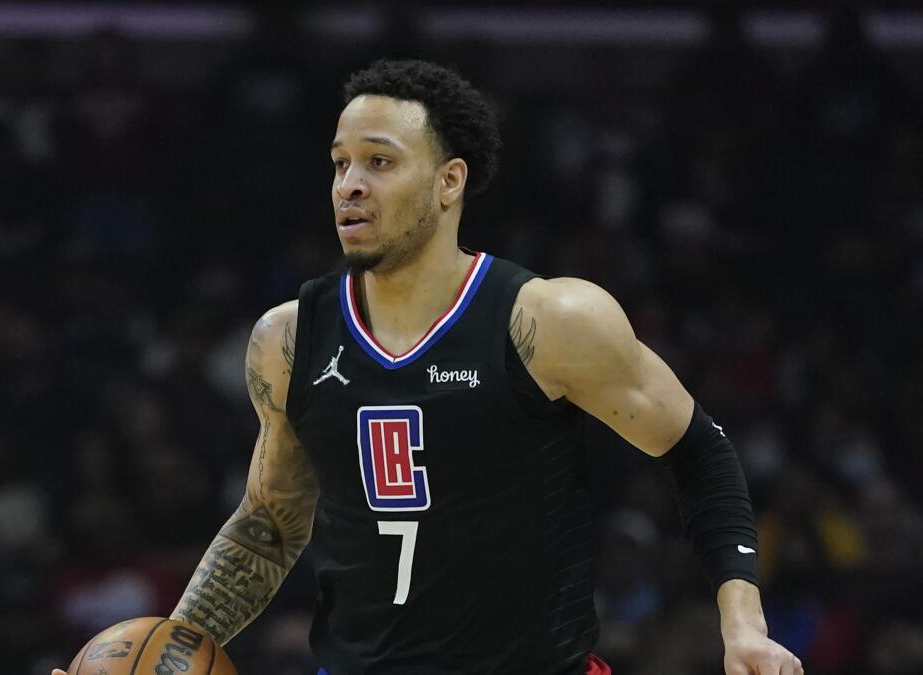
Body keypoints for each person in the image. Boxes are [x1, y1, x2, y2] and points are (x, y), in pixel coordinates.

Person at [54, 59, 802, 675]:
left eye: (379, 162)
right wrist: (166, 652)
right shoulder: (288, 340)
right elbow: (270, 525)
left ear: (450, 182)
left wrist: (743, 625)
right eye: (341, 163)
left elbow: (698, 448)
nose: (350, 185)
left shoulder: (546, 320)